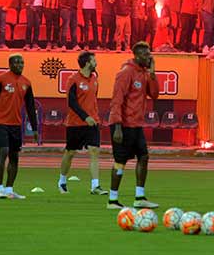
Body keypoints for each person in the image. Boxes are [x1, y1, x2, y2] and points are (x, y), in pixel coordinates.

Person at [0, 54, 39, 199]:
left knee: (14, 157)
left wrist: (35, 128)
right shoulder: (1, 80)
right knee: (3, 152)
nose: (20, 65)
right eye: (17, 63)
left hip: (16, 124)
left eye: (22, 63)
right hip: (0, 122)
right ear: (10, 64)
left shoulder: (26, 83)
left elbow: (30, 106)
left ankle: (9, 190)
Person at [106, 42, 160, 209]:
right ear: (136, 56)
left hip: (136, 124)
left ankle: (139, 197)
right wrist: (117, 126)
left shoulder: (144, 73)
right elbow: (117, 99)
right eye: (145, 54)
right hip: (123, 124)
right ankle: (112, 200)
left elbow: (155, 94)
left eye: (149, 54)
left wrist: (152, 73)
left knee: (143, 157)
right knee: (120, 161)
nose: (148, 57)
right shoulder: (126, 72)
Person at [58, 51, 107, 195]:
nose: (96, 63)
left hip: (93, 123)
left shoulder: (95, 79)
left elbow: (93, 100)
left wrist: (93, 117)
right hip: (75, 123)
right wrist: (85, 117)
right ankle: (62, 181)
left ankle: (95, 186)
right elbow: (72, 102)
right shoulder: (73, 79)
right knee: (70, 152)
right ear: (87, 63)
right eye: (94, 60)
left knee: (94, 151)